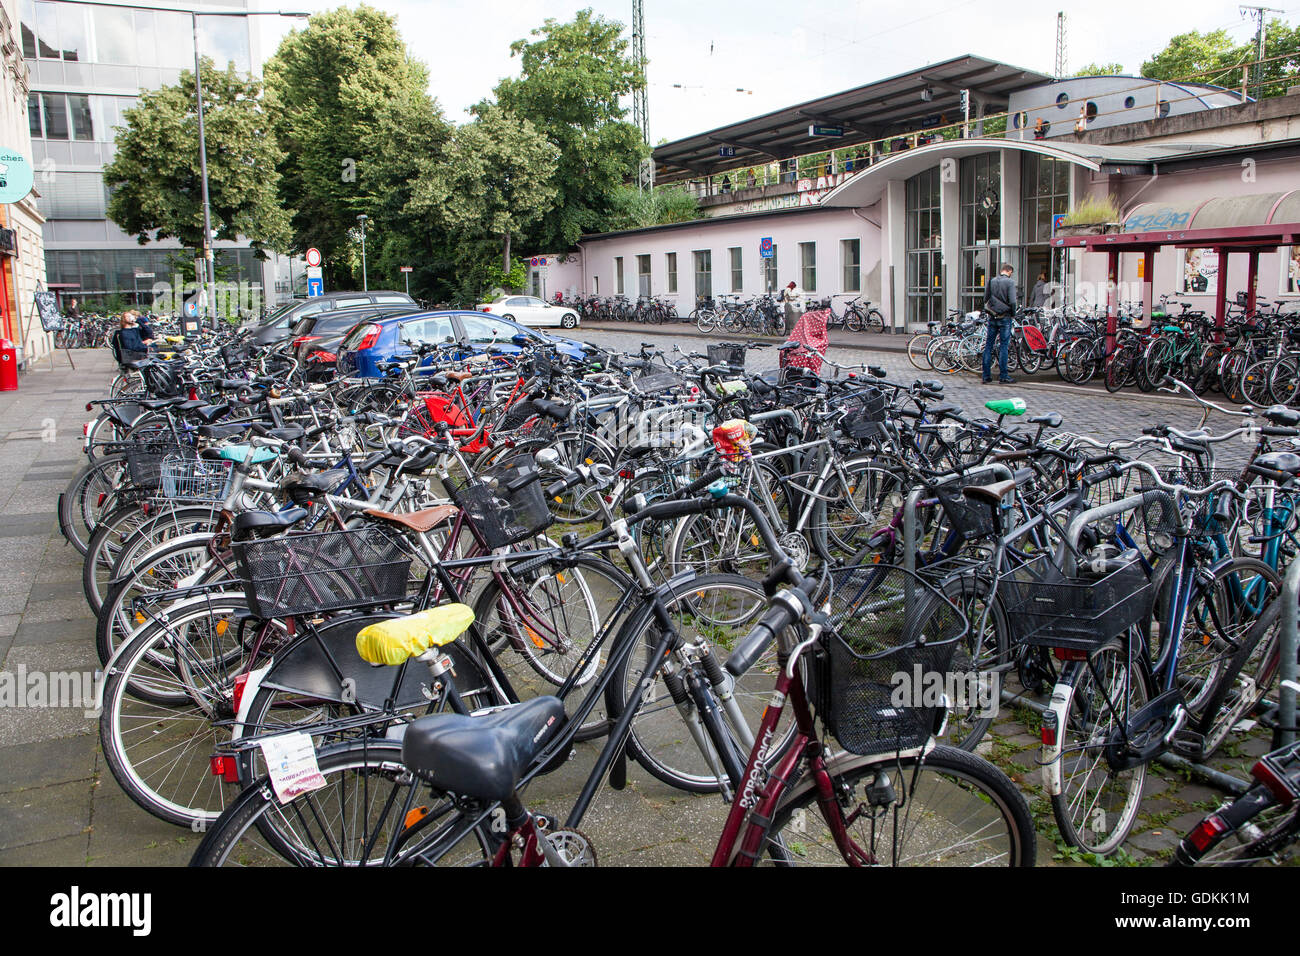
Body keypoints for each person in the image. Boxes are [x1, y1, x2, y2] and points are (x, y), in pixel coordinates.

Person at [982, 263, 1017, 385]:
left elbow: (985, 298)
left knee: (988, 345)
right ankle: (1003, 376)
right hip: (1005, 317)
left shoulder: (991, 281)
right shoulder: (1010, 282)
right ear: (1009, 271)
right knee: (1003, 346)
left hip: (992, 316)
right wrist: (1013, 313)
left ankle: (986, 376)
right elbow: (1012, 301)